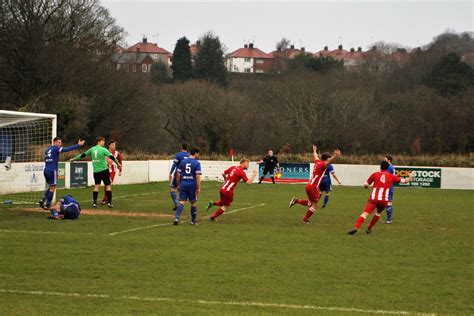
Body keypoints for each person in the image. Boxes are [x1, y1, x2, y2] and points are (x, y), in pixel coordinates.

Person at [347, 161, 413, 235]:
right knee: (378, 213)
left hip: (373, 199)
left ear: (380, 167)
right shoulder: (391, 176)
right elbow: (404, 181)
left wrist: (366, 187)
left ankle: (356, 227)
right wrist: (410, 177)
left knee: (365, 214)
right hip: (384, 200)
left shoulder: (375, 174)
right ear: (388, 168)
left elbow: (366, 184)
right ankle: (369, 228)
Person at [289, 145, 341, 223]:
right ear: (326, 159)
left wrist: (314, 150)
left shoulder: (318, 162)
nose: (329, 160)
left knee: (312, 203)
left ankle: (296, 201)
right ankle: (305, 220)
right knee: (315, 205)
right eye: (328, 158)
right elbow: (329, 161)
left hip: (312, 186)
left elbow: (315, 156)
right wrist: (336, 155)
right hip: (312, 187)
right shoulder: (323, 164)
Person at [70, 137, 121, 208]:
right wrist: (118, 164)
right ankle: (109, 203)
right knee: (108, 186)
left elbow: (83, 155)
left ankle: (94, 203)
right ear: (99, 141)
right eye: (103, 141)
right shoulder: (103, 149)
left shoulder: (92, 149)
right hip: (104, 170)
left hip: (96, 171)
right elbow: (112, 157)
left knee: (97, 186)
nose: (104, 143)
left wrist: (74, 159)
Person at [39, 137, 85, 210]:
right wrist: (78, 145)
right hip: (52, 170)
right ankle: (48, 204)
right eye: (59, 142)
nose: (60, 144)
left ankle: (42, 199)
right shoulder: (56, 148)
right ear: (55, 142)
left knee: (51, 186)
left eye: (60, 142)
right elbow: (66, 149)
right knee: (53, 187)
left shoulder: (48, 150)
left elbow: (45, 159)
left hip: (46, 169)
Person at [174, 147, 201, 225]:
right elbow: (197, 176)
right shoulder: (197, 163)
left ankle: (176, 218)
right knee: (193, 202)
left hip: (183, 184)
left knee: (182, 201)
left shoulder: (183, 162)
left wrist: (178, 185)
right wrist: (198, 187)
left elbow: (178, 174)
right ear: (195, 153)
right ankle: (193, 221)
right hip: (192, 185)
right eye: (198, 154)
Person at [100, 140, 122, 205]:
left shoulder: (117, 153)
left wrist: (120, 170)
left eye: (114, 145)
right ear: (109, 145)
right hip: (105, 169)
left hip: (112, 170)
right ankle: (107, 199)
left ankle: (105, 199)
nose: (114, 146)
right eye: (112, 145)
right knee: (106, 184)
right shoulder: (104, 152)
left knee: (108, 184)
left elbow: (120, 162)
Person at [169, 143, 189, 210]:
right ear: (187, 148)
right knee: (181, 190)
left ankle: (176, 203)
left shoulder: (178, 155)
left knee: (172, 189)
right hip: (185, 175)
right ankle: (179, 203)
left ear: (181, 147)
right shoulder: (189, 155)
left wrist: (170, 173)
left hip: (178, 174)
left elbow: (174, 165)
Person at [384, 155, 395, 224]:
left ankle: (389, 219)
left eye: (385, 159)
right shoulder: (389, 167)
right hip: (387, 187)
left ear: (389, 160)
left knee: (389, 203)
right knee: (386, 203)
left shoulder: (389, 167)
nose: (383, 160)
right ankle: (388, 217)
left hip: (389, 188)